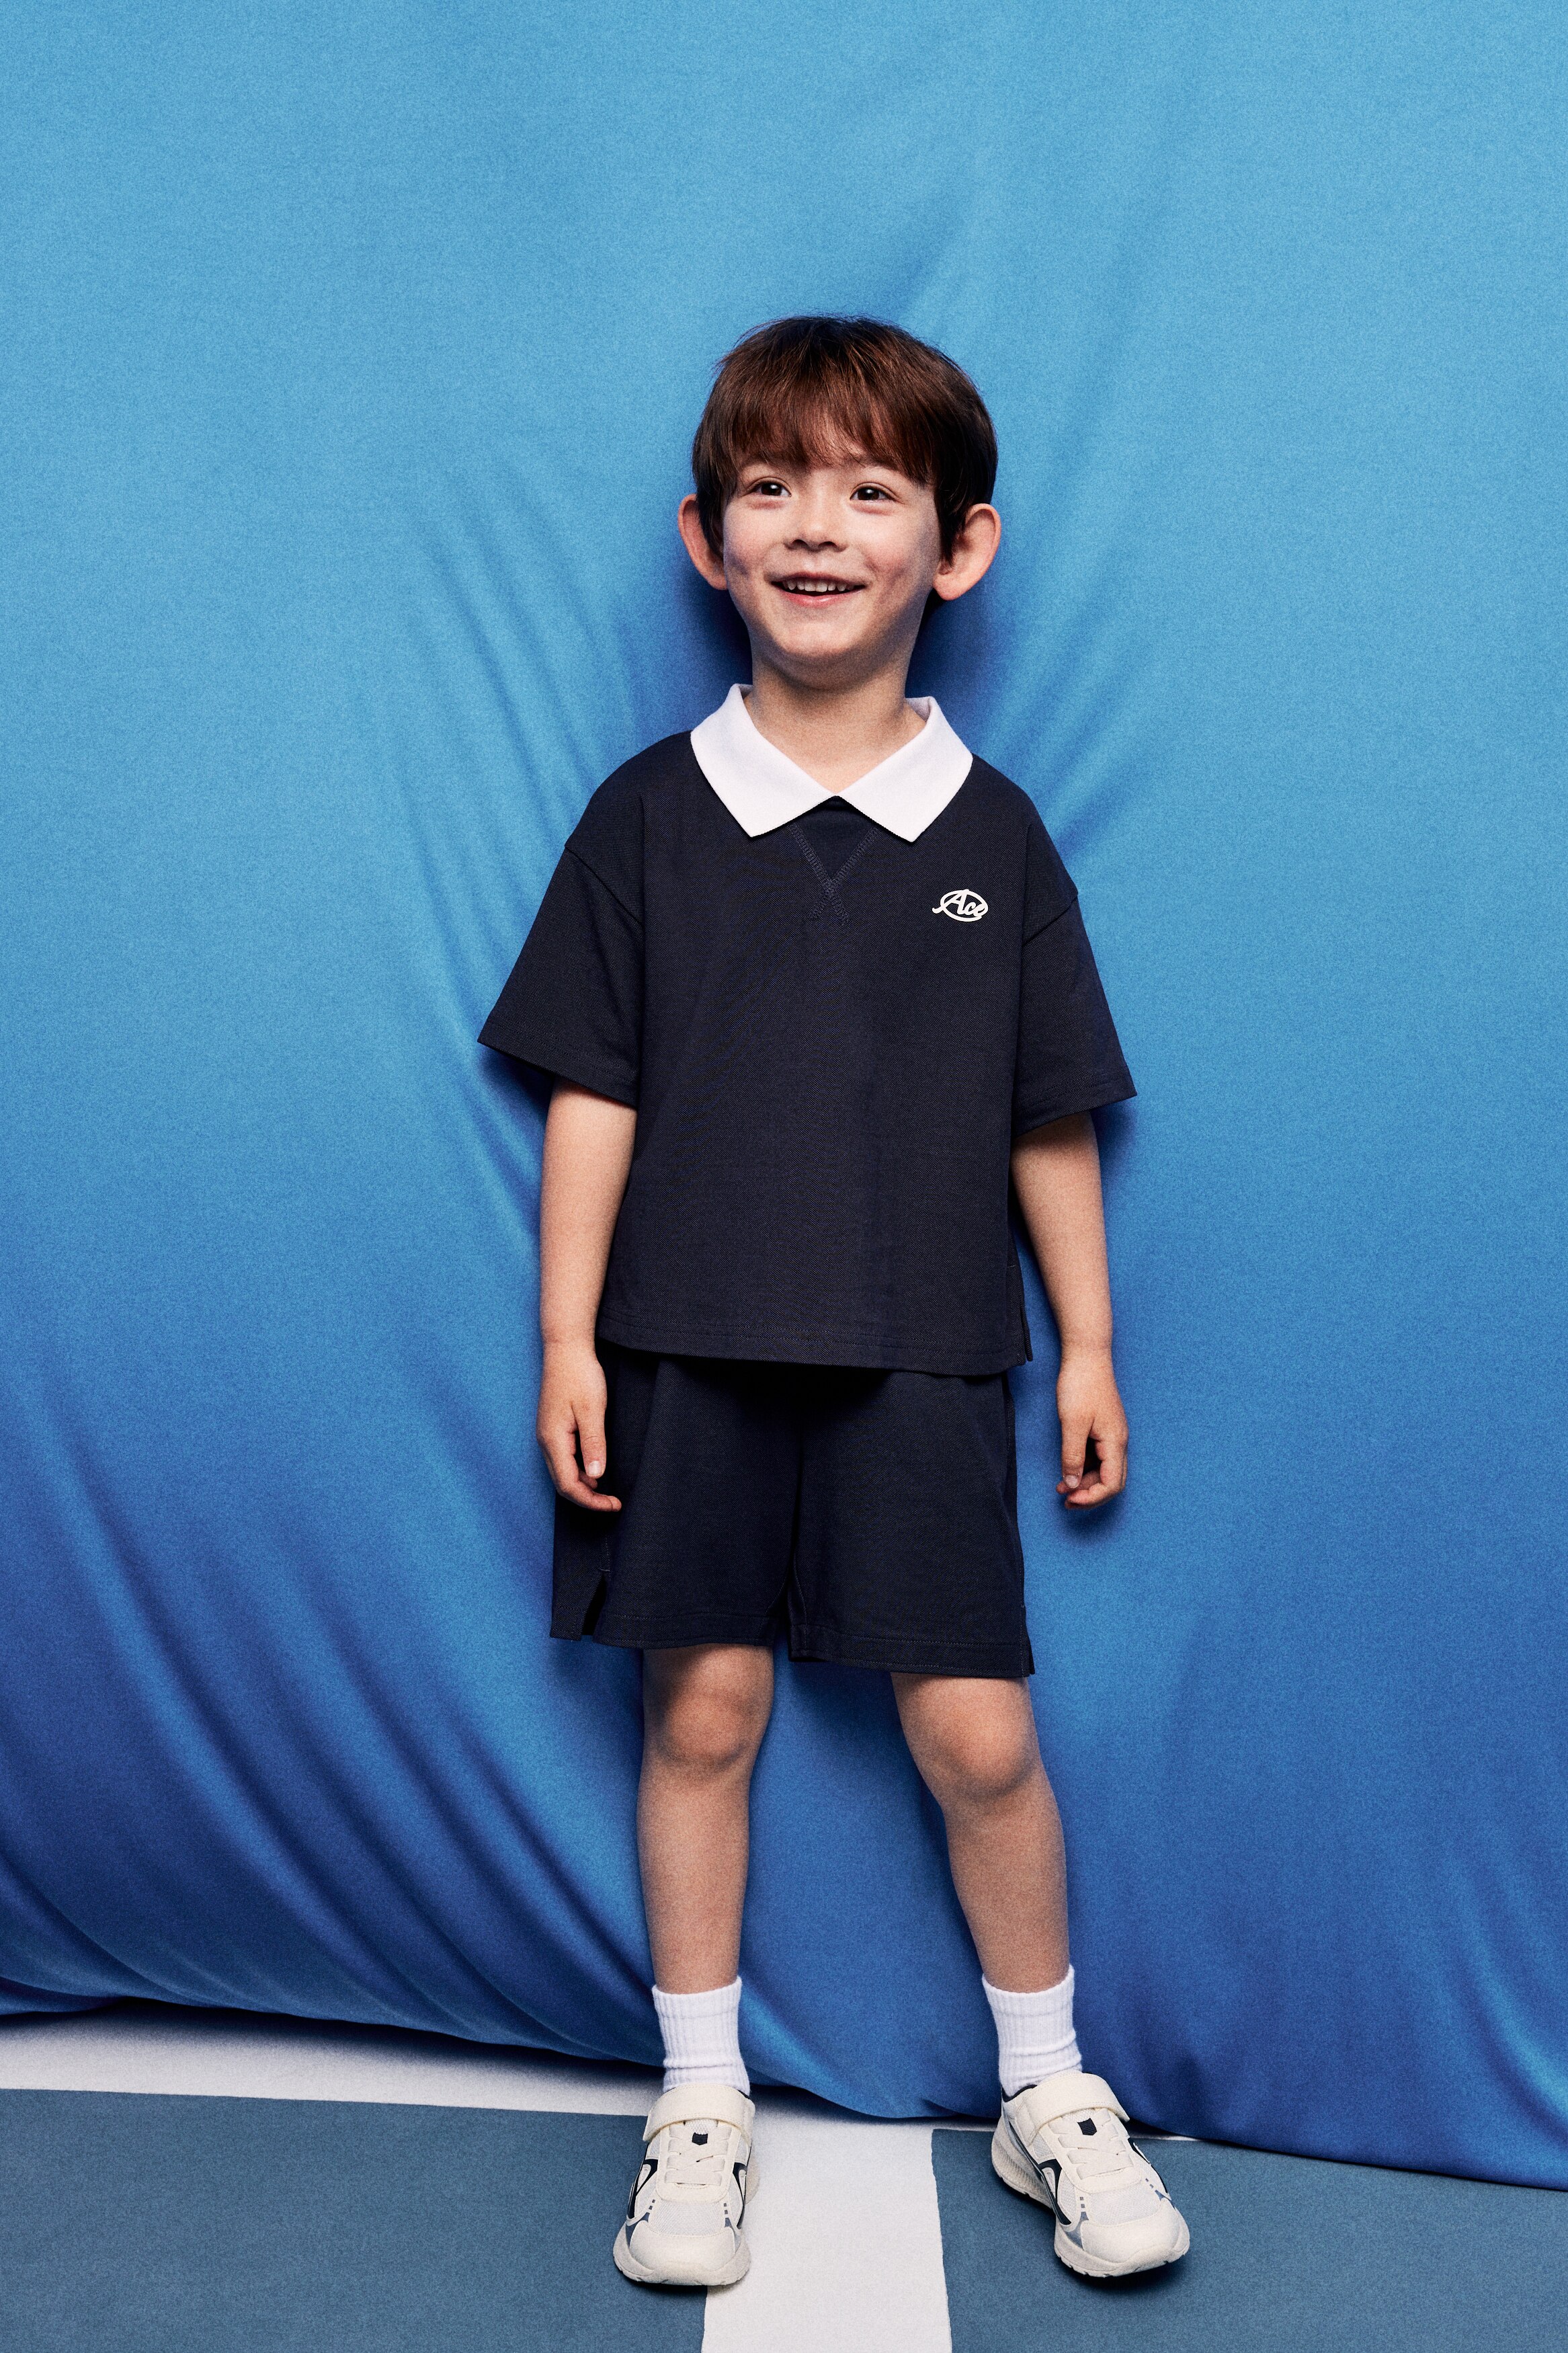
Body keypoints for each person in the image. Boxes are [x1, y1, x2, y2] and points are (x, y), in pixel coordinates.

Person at [480, 315, 1190, 2289]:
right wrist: (565, 1340)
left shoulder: (998, 831)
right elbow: (595, 1094)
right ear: (705, 536)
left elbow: (1049, 1114)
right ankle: (699, 2099)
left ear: (957, 547)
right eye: (773, 485)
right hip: (684, 1354)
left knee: (980, 1739)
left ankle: (1048, 2089)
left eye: (873, 489)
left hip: (925, 1363)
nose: (818, 526)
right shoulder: (646, 814)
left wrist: (1092, 1342)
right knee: (699, 1714)